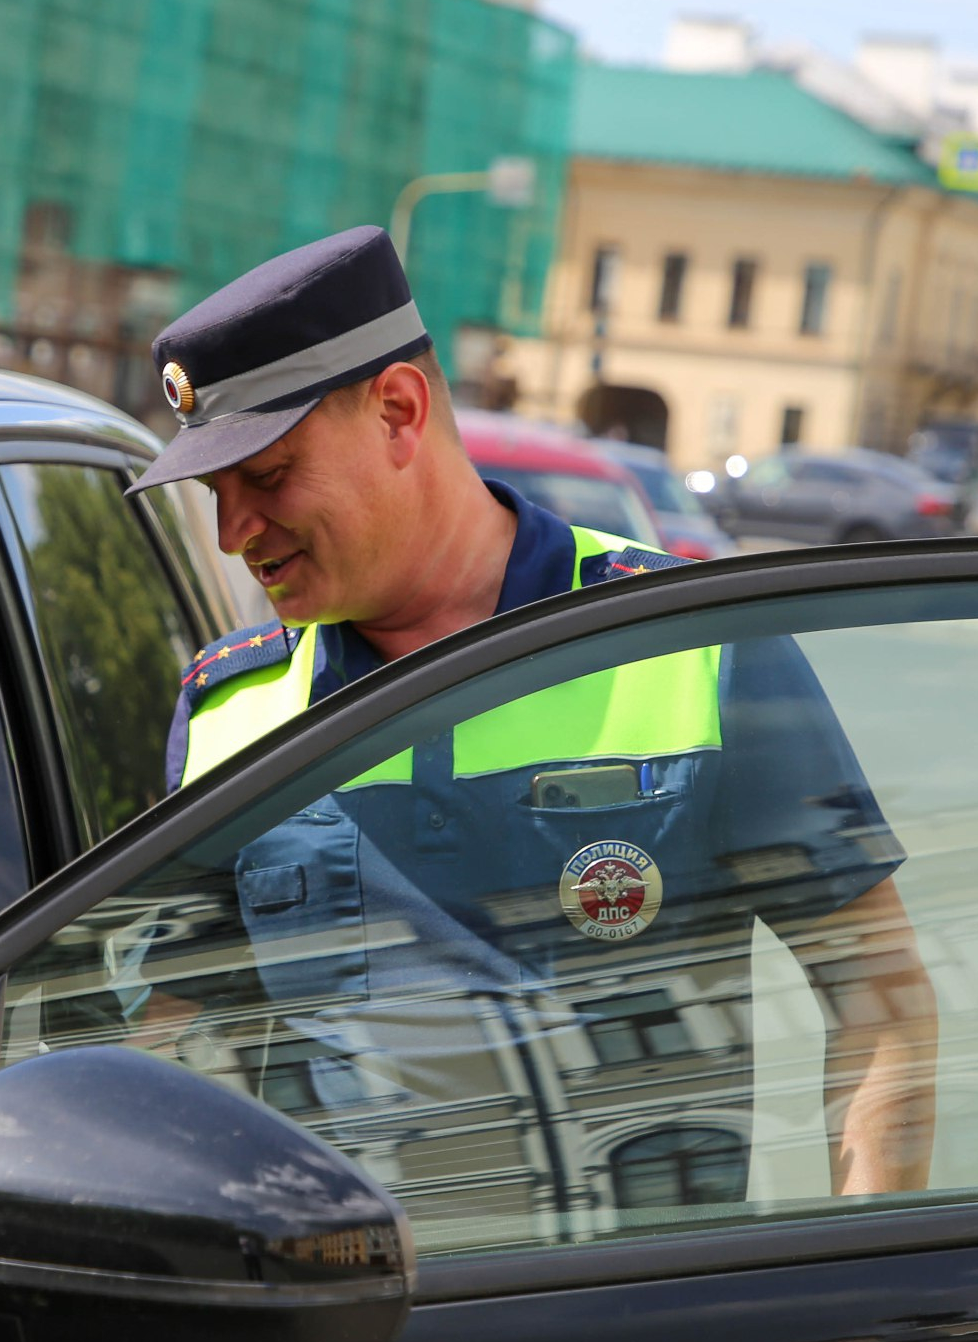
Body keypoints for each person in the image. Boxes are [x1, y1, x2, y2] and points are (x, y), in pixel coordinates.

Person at [127, 226, 936, 1199]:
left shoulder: (691, 642)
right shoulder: (230, 706)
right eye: (214, 491)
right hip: (339, 1330)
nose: (232, 534)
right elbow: (155, 1053)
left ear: (396, 410)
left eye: (265, 476)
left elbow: (879, 1001)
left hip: (622, 1331)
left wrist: (853, 1293)